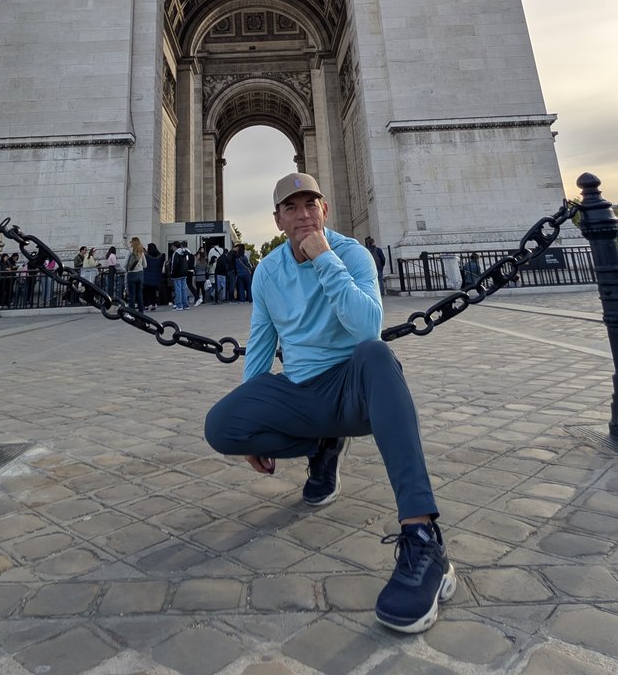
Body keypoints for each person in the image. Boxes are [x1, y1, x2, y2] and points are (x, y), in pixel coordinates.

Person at [205, 172, 455, 635]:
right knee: (220, 425)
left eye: (310, 204)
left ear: (325, 209)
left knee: (377, 354)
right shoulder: (268, 271)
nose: (303, 215)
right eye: (291, 208)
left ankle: (422, 535)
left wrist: (324, 259)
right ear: (278, 220)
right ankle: (323, 446)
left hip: (353, 389)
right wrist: (253, 417)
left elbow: (367, 327)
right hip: (301, 391)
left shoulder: (352, 254)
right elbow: (261, 344)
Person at [125, 236, 146, 312]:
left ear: (132, 243)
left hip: (131, 274)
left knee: (132, 295)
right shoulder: (141, 252)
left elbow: (125, 264)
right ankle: (141, 311)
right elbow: (145, 265)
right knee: (139, 294)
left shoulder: (129, 252)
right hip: (140, 274)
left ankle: (132, 311)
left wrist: (127, 269)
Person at [144, 242, 165, 311]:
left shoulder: (146, 256)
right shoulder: (161, 256)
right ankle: (153, 304)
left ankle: (146, 304)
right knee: (153, 291)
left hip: (147, 276)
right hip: (156, 277)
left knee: (146, 292)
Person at [170, 241, 190, 310]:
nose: (172, 248)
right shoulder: (184, 252)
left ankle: (179, 305)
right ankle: (185, 305)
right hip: (184, 272)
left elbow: (174, 264)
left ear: (174, 246)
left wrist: (172, 273)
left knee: (178, 289)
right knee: (183, 289)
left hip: (177, 273)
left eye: (172, 247)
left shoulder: (176, 253)